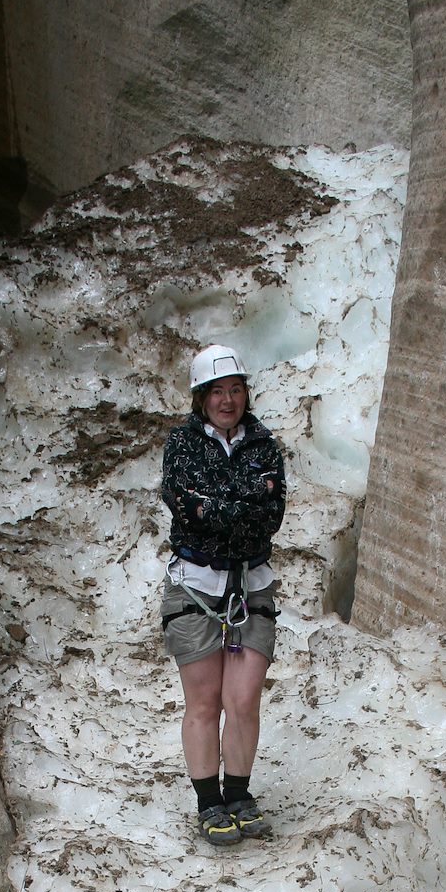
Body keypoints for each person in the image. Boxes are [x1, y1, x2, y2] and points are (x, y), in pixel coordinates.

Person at [160, 344, 286, 844]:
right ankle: (209, 802)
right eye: (217, 391)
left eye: (234, 389)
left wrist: (217, 507)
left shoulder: (264, 444)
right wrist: (239, 506)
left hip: (250, 585)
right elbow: (184, 502)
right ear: (201, 398)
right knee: (204, 703)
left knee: (244, 699)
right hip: (196, 587)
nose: (227, 400)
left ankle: (238, 792)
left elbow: (270, 515)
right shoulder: (182, 445)